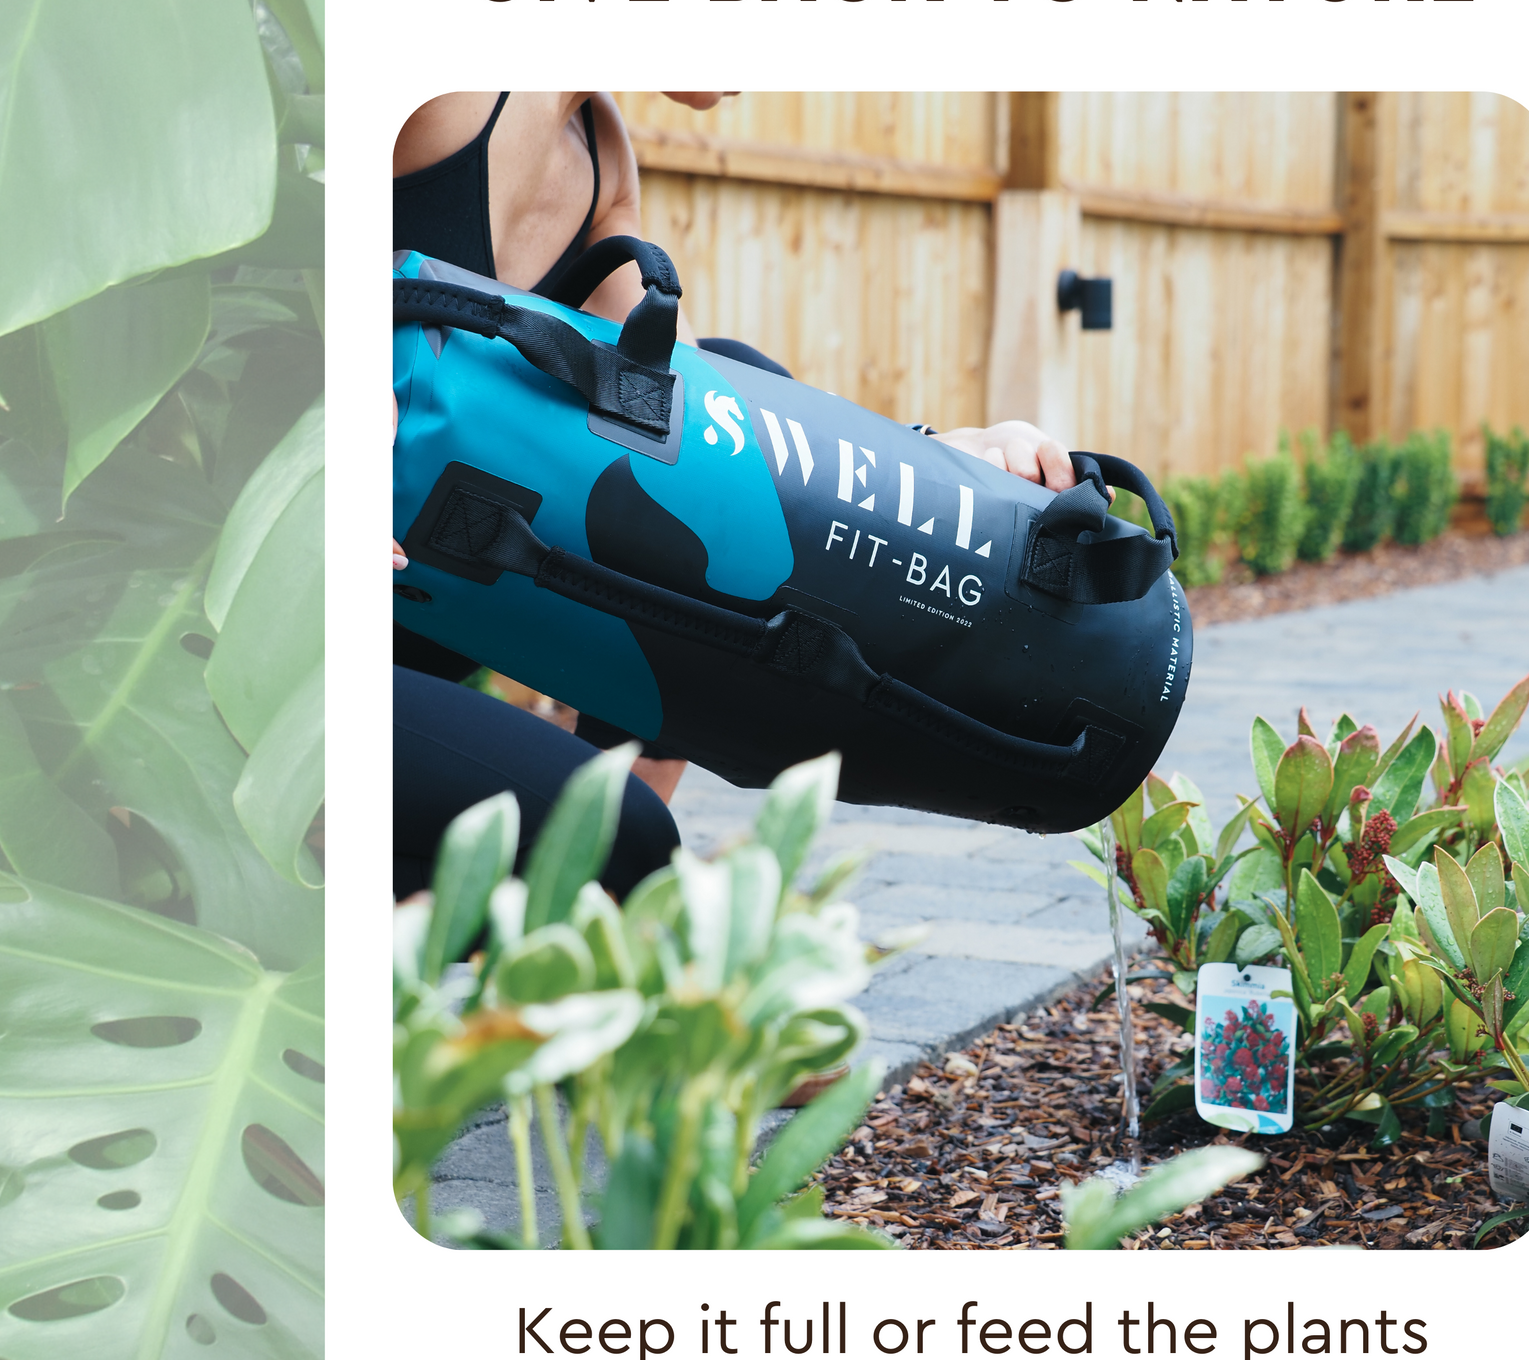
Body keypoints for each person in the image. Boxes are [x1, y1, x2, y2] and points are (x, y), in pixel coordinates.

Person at [392, 90, 1083, 903]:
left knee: (733, 403)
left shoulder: (600, 150)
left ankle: (575, 923)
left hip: (444, 586)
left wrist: (937, 458)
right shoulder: (445, 90)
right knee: (619, 843)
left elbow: (699, 428)